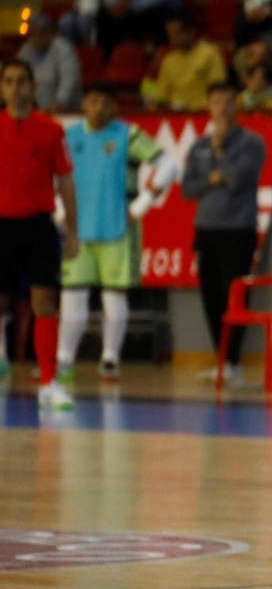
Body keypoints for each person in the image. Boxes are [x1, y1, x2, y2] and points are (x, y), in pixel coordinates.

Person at [58, 85, 178, 380]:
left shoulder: (128, 134)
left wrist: (140, 206)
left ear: (114, 107)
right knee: (73, 297)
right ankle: (63, 360)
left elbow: (168, 166)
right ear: (84, 103)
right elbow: (55, 176)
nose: (98, 107)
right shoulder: (68, 137)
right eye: (93, 101)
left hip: (117, 230)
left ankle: (110, 358)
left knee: (114, 296)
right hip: (78, 232)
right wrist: (60, 212)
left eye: (105, 103)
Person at [0, 60, 79, 410]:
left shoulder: (51, 130)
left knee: (44, 303)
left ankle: (49, 382)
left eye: (22, 81)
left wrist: (73, 230)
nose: (15, 88)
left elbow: (65, 180)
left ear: (33, 87)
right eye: (8, 81)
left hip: (38, 226)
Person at [180, 83, 266, 386]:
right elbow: (187, 189)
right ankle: (222, 360)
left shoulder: (251, 143)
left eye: (228, 102)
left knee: (235, 298)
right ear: (208, 106)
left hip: (238, 230)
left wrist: (220, 150)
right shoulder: (198, 146)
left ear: (236, 106)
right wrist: (211, 177)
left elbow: (237, 179)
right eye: (216, 102)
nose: (222, 109)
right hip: (206, 230)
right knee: (211, 298)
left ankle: (233, 362)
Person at [150, 15, 227, 112]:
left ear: (190, 32)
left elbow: (218, 88)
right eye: (170, 35)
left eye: (177, 34)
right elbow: (162, 95)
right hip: (175, 114)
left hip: (203, 112)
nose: (172, 39)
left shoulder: (210, 54)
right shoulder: (169, 60)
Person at [16, 15, 80, 113]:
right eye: (32, 33)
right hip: (32, 110)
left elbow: (69, 81)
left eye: (40, 32)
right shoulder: (26, 49)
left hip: (63, 110)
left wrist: (59, 103)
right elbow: (17, 74)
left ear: (49, 33)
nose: (36, 37)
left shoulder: (63, 49)